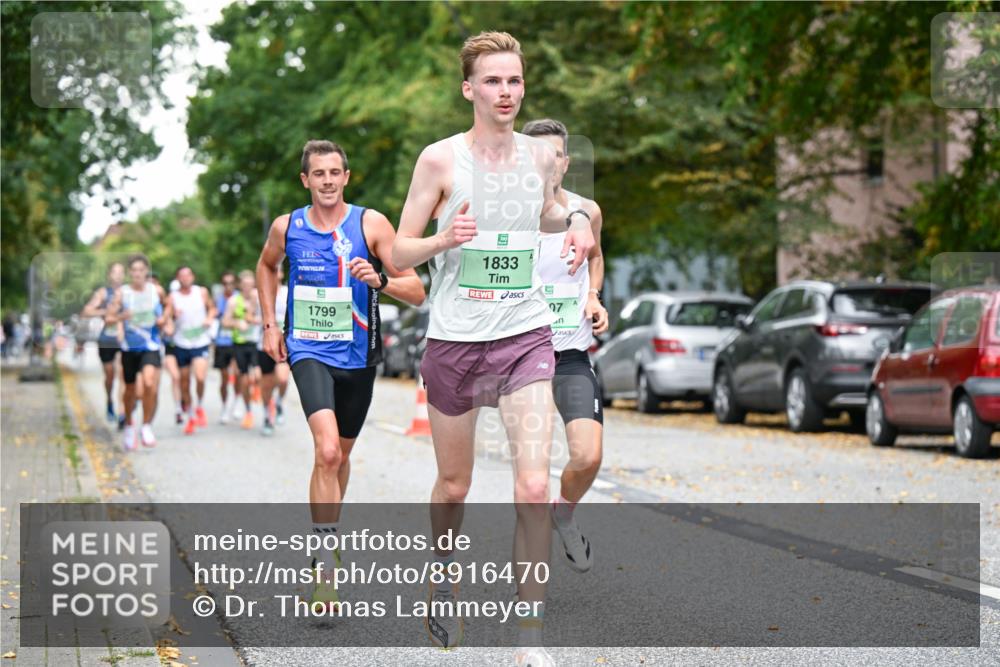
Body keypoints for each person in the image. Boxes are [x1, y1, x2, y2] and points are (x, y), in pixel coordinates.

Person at [392, 31, 594, 665]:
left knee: (533, 486)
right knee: (454, 487)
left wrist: (582, 225)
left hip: (526, 336)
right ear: (469, 89)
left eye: (514, 81)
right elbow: (399, 251)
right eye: (493, 81)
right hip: (454, 340)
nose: (505, 92)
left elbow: (553, 214)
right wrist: (443, 239)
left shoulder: (539, 157)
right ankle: (442, 568)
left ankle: (528, 637)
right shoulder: (440, 161)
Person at [257, 139, 425, 612]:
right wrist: (270, 323)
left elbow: (415, 290)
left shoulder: (370, 224)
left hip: (359, 356)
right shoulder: (286, 227)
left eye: (335, 172)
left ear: (346, 177)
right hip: (307, 350)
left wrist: (380, 280)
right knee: (326, 449)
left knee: (340, 457)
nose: (328, 181)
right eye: (319, 173)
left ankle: (326, 538)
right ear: (305, 180)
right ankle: (325, 562)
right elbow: (267, 267)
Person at [522, 118, 608, 573]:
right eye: (535, 154)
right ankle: (528, 583)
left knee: (588, 455)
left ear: (565, 162)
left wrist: (593, 295)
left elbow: (595, 257)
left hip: (570, 353)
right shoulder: (507, 213)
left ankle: (566, 512)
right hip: (521, 359)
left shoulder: (586, 210)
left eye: (554, 154)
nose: (546, 163)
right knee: (531, 473)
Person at [106, 255, 169, 450]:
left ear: (146, 272)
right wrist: (121, 317)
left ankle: (147, 426)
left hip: (150, 346)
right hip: (129, 348)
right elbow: (108, 317)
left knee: (150, 383)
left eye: (141, 270)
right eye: (134, 270)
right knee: (130, 390)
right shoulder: (122, 294)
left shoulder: (156, 291)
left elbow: (169, 306)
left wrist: (164, 320)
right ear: (129, 273)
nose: (138, 274)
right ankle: (129, 425)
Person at [166, 266, 217, 435]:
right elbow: (168, 318)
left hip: (200, 341)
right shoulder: (173, 297)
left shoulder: (201, 292)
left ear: (193, 277)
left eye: (188, 275)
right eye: (182, 276)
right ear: (178, 278)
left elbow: (212, 308)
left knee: (200, 377)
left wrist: (209, 318)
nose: (185, 278)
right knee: (184, 382)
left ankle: (200, 405)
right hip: (181, 343)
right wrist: (173, 317)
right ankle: (190, 416)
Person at [81, 262, 126, 423]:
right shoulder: (103, 293)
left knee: (122, 373)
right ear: (109, 275)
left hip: (123, 339)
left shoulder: (128, 292)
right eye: (115, 272)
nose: (118, 275)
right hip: (106, 339)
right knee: (110, 376)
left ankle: (122, 410)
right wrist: (105, 311)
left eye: (121, 272)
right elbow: (86, 311)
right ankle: (109, 401)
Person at [221, 270, 261, 430]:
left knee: (257, 375)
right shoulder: (233, 301)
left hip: (256, 343)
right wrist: (237, 324)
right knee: (243, 379)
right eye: (244, 285)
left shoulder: (259, 298)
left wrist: (258, 320)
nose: (247, 288)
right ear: (240, 286)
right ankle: (248, 410)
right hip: (239, 343)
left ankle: (258, 392)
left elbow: (269, 315)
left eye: (251, 285)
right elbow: (225, 321)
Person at [257, 263, 290, 436]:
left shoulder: (288, 292)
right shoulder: (260, 293)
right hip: (263, 344)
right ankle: (266, 415)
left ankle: (279, 402)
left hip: (283, 344)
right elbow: (248, 313)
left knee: (283, 379)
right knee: (266, 385)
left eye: (278, 270)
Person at [213, 271, 239, 423]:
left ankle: (236, 403)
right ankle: (224, 406)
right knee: (223, 378)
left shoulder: (239, 298)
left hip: (236, 342)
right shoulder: (218, 299)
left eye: (230, 283)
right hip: (221, 342)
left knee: (236, 374)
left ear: (234, 284)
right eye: (225, 283)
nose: (228, 286)